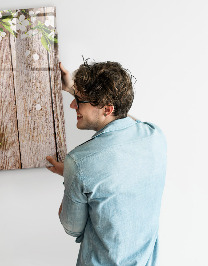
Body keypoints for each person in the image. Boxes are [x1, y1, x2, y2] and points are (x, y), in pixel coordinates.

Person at [47, 61, 167, 265]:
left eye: (79, 100)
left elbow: (72, 227)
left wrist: (71, 175)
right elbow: (124, 120)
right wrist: (71, 89)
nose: (73, 105)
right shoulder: (155, 136)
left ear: (107, 108)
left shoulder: (78, 162)